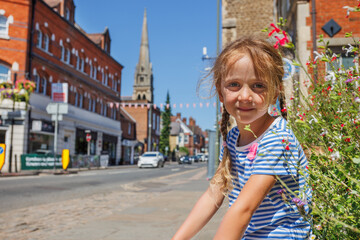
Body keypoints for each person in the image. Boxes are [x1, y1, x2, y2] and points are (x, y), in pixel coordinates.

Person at [172, 36, 311, 240]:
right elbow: (213, 195)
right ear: (220, 91)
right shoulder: (234, 137)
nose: (245, 96)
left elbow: (243, 210)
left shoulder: (277, 138)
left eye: (258, 86)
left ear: (274, 92)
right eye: (234, 84)